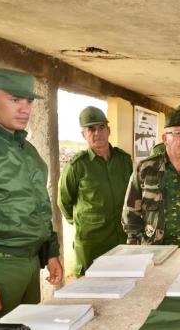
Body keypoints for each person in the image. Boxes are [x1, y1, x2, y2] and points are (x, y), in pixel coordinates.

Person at [0, 68, 62, 330]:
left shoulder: (26, 150)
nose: (24, 109)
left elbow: (41, 205)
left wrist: (50, 251)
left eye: (28, 101)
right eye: (14, 99)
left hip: (29, 265)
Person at [122, 109, 180, 247]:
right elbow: (130, 214)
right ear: (165, 138)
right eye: (177, 133)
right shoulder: (145, 169)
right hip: (155, 250)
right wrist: (136, 248)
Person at [57, 106, 133, 276]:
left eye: (101, 127)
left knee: (125, 284)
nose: (97, 133)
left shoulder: (124, 160)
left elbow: (132, 195)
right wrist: (86, 223)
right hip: (92, 243)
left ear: (109, 130)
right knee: (90, 291)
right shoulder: (77, 166)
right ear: (83, 134)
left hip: (122, 239)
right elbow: (64, 202)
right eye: (90, 129)